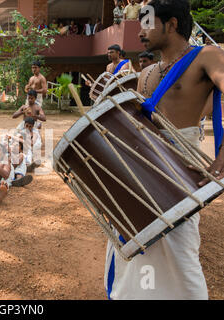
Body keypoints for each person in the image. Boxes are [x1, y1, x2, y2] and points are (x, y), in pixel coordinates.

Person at [105, 0, 224, 300]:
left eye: (147, 23)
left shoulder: (206, 57)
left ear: (171, 24)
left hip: (182, 172)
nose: (140, 32)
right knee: (137, 247)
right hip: (145, 170)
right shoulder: (145, 75)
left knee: (181, 254)